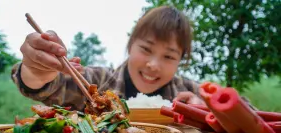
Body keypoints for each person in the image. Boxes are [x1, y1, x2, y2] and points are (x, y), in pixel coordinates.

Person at [11, 6, 204, 111]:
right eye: (146, 49)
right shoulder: (96, 81)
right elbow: (45, 87)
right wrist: (38, 71)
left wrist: (205, 114)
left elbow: (232, 111)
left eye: (169, 56)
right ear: (130, 45)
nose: (153, 65)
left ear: (181, 59)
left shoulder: (192, 92)